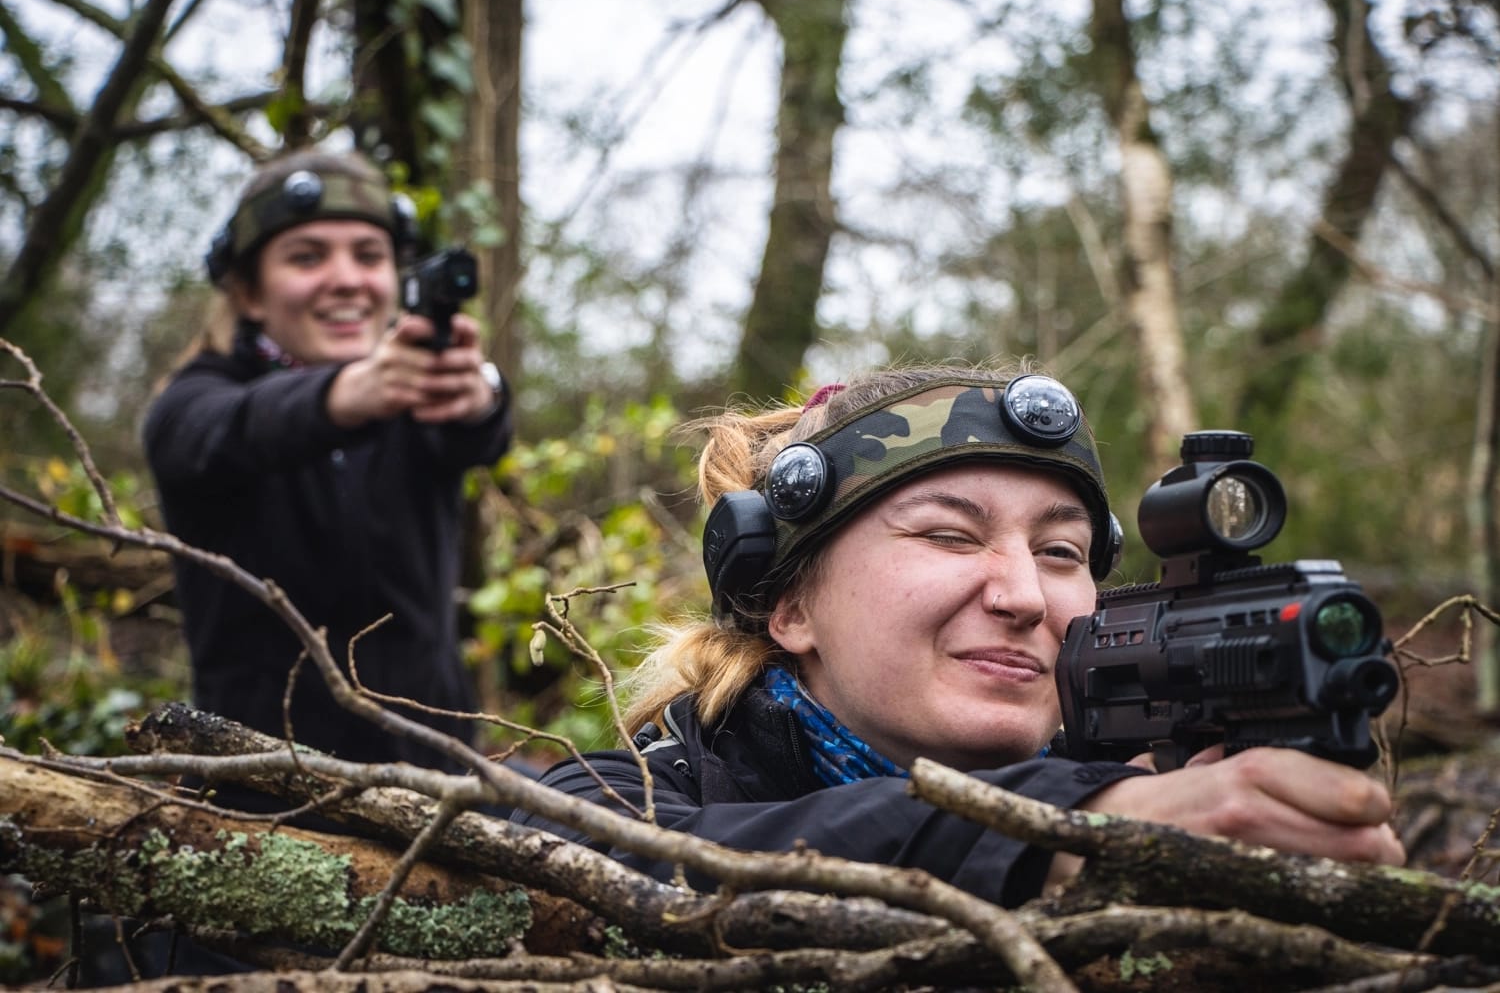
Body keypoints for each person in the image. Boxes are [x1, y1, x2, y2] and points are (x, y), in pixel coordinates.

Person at [512, 363, 1403, 905]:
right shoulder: (637, 790)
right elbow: (584, 859)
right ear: (790, 607)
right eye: (948, 534)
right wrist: (1068, 832)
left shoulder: (1145, 784)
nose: (1022, 594)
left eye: (1062, 551)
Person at [143, 149, 512, 784]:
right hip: (264, 794)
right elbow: (220, 431)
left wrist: (481, 395)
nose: (345, 279)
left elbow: (482, 437)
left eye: (369, 256)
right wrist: (342, 396)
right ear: (249, 292)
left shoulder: (416, 386)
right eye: (307, 257)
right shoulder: (194, 399)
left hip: (439, 779)